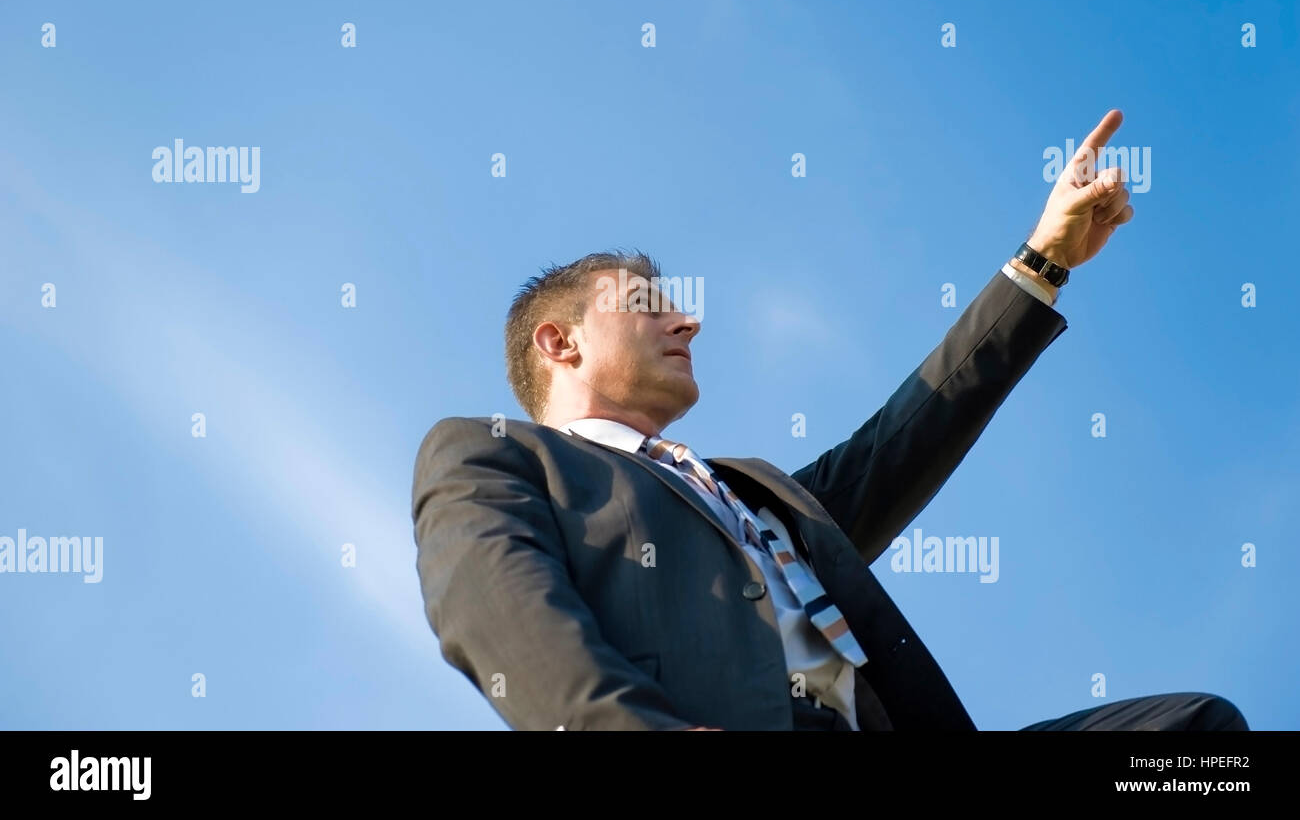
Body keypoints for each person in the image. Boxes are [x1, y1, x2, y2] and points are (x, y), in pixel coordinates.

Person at [411, 110, 1247, 731]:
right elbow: (504, 614)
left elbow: (906, 438)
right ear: (557, 342)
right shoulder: (491, 459)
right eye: (646, 304)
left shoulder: (759, 498)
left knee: (1198, 741)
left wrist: (1044, 259)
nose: (687, 321)